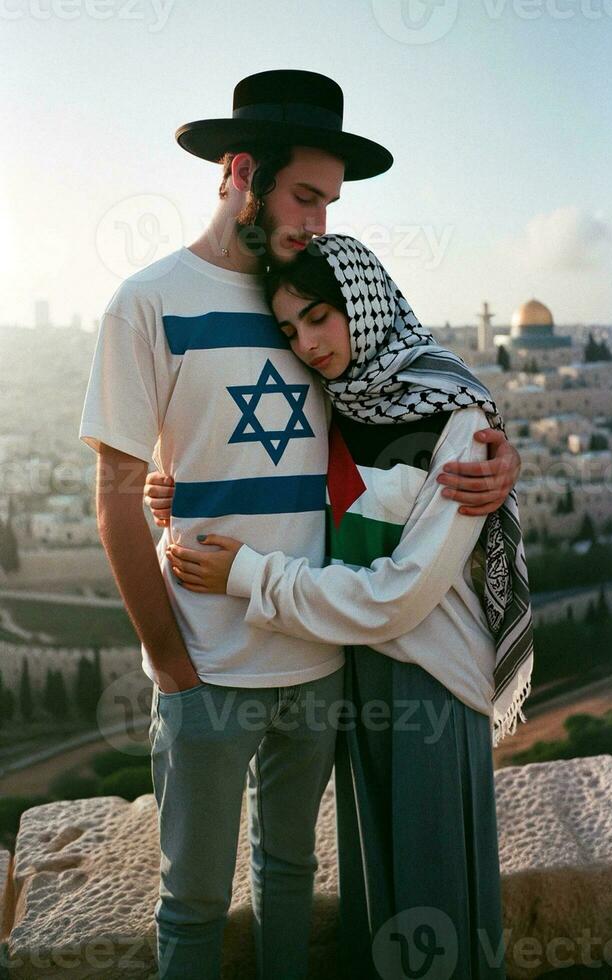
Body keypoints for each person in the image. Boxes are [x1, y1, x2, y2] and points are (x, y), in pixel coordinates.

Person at [80, 68, 521, 980]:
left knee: (290, 877)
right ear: (239, 171)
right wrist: (171, 665)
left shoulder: (310, 300)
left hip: (319, 666)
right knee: (192, 905)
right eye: (305, 196)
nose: (317, 221)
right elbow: (120, 487)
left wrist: (499, 452)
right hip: (206, 666)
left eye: (329, 203)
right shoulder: (147, 302)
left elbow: (406, 399)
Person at [145, 235, 534, 979]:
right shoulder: (331, 405)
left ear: (360, 302)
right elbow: (248, 462)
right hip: (352, 672)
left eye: (319, 317)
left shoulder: (455, 419)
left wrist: (248, 578)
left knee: (433, 909)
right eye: (290, 330)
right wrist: (165, 489)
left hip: (430, 682)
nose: (309, 343)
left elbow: (401, 595)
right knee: (376, 907)